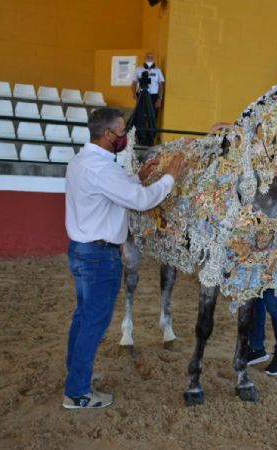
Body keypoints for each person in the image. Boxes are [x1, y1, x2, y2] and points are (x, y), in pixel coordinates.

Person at [63, 108, 186, 409]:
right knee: (95, 321)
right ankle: (77, 392)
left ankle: (77, 375)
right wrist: (170, 177)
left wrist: (137, 176)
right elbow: (142, 201)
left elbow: (116, 189)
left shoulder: (84, 161)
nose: (124, 137)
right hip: (99, 256)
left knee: (83, 317)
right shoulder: (101, 169)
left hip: (83, 250)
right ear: (108, 135)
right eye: (120, 132)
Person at [247, 289, 277, 376]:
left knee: (273, 303)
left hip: (269, 276)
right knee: (255, 301)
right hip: (253, 275)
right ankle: (256, 349)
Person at [132, 51, 165, 145]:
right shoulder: (138, 69)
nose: (149, 58)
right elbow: (134, 83)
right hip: (141, 95)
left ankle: (150, 139)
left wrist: (160, 98)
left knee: (152, 117)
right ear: (144, 58)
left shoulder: (158, 71)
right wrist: (134, 95)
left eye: (151, 57)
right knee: (140, 117)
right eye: (147, 57)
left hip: (154, 96)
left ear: (154, 59)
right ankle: (139, 138)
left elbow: (161, 85)